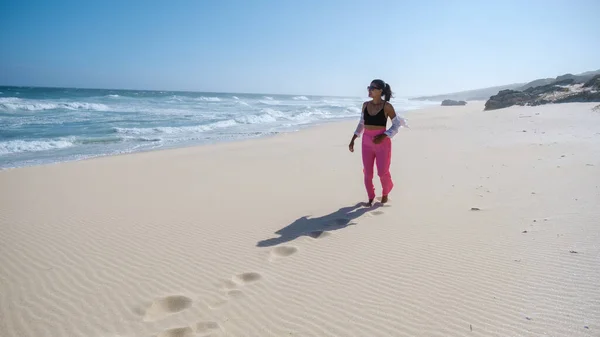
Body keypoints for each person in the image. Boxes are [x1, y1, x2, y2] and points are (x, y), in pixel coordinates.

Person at [348, 79, 407, 206]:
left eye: (372, 88)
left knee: (382, 172)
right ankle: (370, 197)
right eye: (369, 87)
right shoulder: (365, 105)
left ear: (380, 90)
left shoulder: (387, 106)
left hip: (382, 143)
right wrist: (353, 138)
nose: (369, 90)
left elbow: (396, 125)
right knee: (367, 172)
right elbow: (362, 123)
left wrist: (384, 136)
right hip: (366, 142)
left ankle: (385, 194)